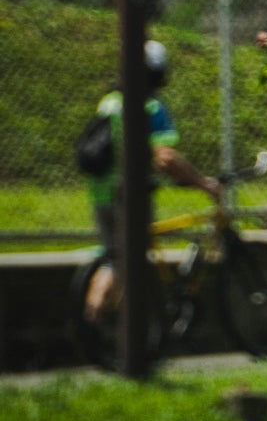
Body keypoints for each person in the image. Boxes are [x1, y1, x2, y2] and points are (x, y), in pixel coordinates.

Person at [83, 39, 220, 325]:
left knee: (113, 259)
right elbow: (165, 158)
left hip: (101, 193)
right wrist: (202, 183)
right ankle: (97, 325)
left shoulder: (110, 102)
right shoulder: (151, 107)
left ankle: (94, 328)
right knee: (123, 263)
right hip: (129, 196)